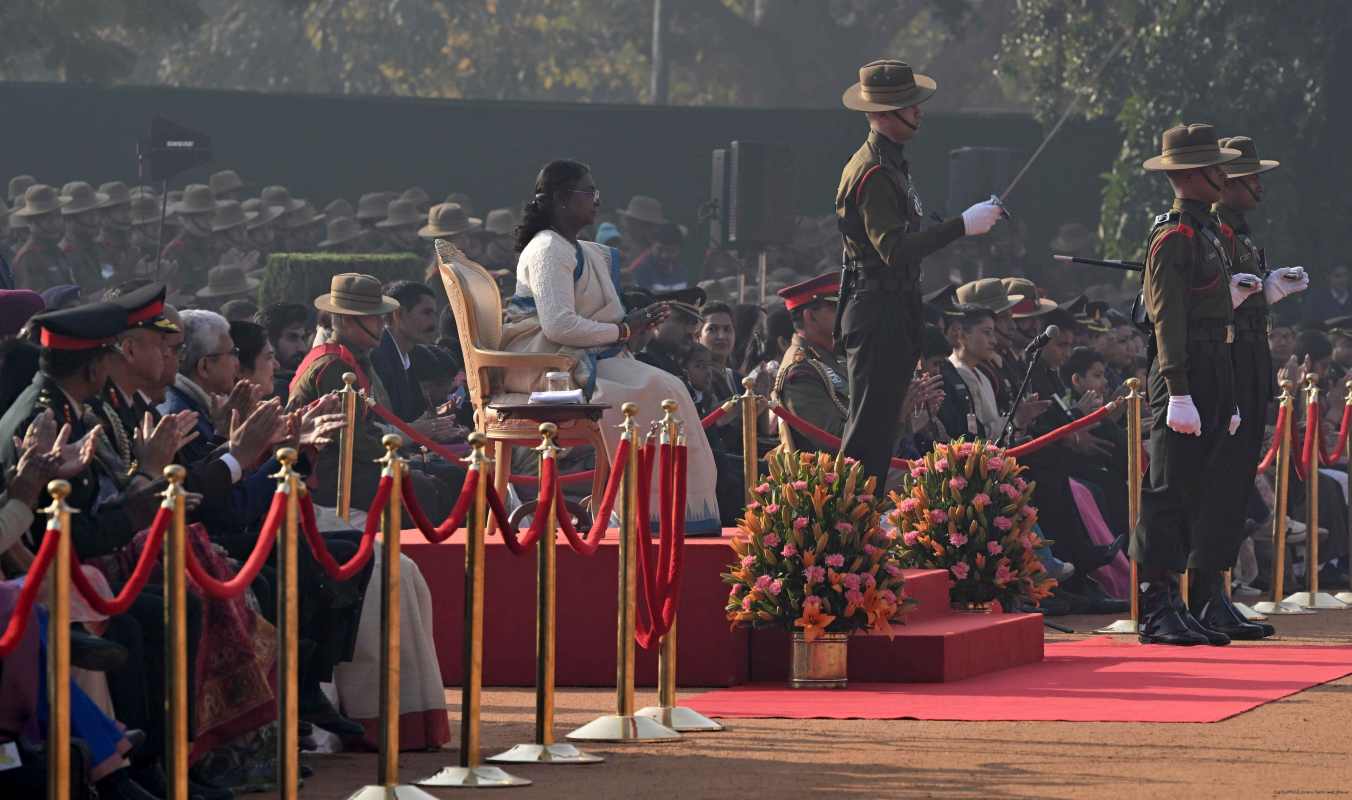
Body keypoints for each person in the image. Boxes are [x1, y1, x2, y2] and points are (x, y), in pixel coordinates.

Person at [499, 160, 721, 534]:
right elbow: (558, 324)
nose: (596, 200)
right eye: (588, 192)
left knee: (669, 387)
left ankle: (670, 512)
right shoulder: (547, 249)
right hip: (549, 368)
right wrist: (621, 330)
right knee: (656, 390)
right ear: (561, 199)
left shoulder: (574, 247)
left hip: (577, 358)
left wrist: (630, 326)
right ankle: (643, 513)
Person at [835, 59, 1003, 486]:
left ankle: (858, 527)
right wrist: (961, 225)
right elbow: (894, 249)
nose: (918, 112)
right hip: (876, 308)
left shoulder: (891, 164)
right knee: (868, 432)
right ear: (883, 113)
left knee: (882, 430)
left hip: (892, 305)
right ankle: (842, 530)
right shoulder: (872, 170)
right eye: (909, 105)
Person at [1135, 123, 1255, 646]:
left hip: (1213, 362)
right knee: (1167, 490)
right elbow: (1167, 319)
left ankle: (1180, 602)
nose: (1224, 175)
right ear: (1190, 174)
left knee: (1194, 489)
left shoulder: (1206, 232)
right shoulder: (1174, 235)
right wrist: (1177, 387)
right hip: (1183, 369)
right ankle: (1155, 606)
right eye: (1215, 166)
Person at [1185, 136, 1309, 638]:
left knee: (1234, 488)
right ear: (1223, 183)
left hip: (1250, 361)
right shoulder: (1210, 234)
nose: (1258, 187)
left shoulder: (1237, 234)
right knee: (1216, 488)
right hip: (1228, 366)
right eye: (1248, 178)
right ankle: (1203, 594)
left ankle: (1217, 591)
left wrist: (1269, 289)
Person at [287, 273, 463, 519]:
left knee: (449, 477)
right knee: (421, 488)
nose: (383, 325)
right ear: (349, 321)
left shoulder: (350, 359)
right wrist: (402, 457)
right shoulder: (334, 366)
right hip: (327, 472)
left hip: (348, 463)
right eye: (375, 318)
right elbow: (353, 441)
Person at [771, 274, 848, 453]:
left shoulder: (830, 357)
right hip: (834, 474)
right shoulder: (800, 370)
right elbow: (833, 441)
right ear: (811, 316)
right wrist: (895, 417)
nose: (845, 314)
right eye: (836, 307)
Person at [12, 184, 75, 291]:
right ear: (32, 222)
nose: (56, 223)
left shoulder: (56, 249)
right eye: (48, 219)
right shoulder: (28, 257)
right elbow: (35, 302)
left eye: (58, 216)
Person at [159, 184, 218, 295]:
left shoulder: (213, 243)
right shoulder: (175, 250)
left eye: (211, 214)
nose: (209, 220)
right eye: (203, 215)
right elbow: (182, 292)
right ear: (188, 217)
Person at [637, 289, 704, 378]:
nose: (690, 331)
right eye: (683, 320)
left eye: (694, 323)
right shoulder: (644, 362)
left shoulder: (677, 365)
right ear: (658, 317)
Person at [256, 301, 312, 401]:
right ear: (270, 340)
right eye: (292, 338)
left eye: (303, 338)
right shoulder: (270, 388)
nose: (302, 348)